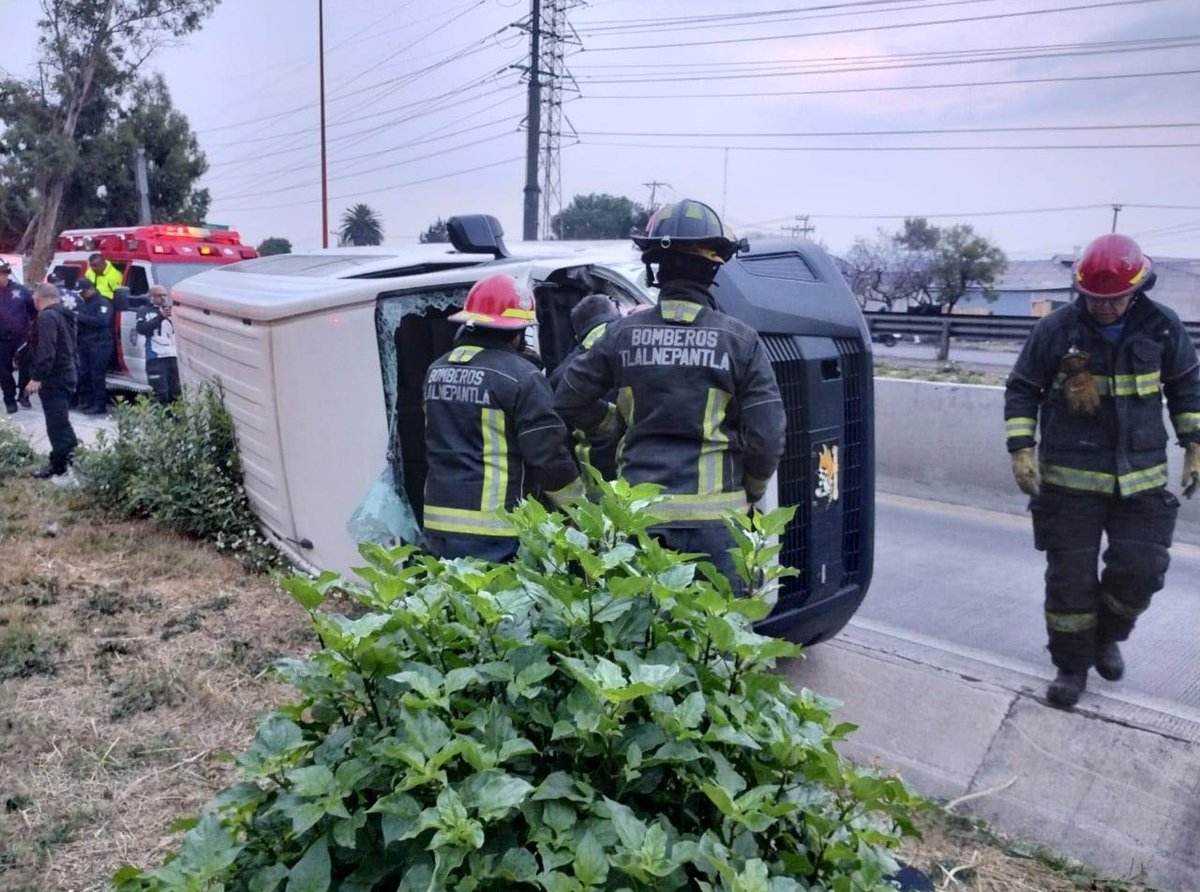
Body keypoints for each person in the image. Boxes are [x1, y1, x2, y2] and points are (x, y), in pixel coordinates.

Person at [1005, 233, 1200, 710]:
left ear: (1138, 287)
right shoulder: (1055, 330)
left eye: (1113, 299)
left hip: (1142, 480)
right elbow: (1022, 389)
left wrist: (1194, 444)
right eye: (1094, 298)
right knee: (1069, 583)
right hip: (1070, 483)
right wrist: (1021, 449)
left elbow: (1187, 388)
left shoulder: (1163, 327)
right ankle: (1071, 667)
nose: (1104, 307)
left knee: (1143, 571)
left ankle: (1106, 637)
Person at [555, 198, 787, 587]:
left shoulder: (619, 335)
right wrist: (752, 489)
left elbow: (566, 399)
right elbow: (767, 436)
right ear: (713, 267)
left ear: (655, 267)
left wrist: (611, 423)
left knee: (641, 638)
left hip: (640, 521)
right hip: (718, 526)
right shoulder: (740, 341)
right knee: (715, 642)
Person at [421, 273, 583, 562]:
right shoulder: (522, 377)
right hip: (494, 534)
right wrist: (579, 511)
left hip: (438, 525)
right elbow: (549, 456)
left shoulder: (436, 370)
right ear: (516, 332)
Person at [548, 293, 623, 481]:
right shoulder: (634, 350)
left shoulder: (562, 374)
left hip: (594, 484)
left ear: (576, 334)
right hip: (640, 479)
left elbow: (556, 442)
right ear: (618, 317)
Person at [25, 284, 79, 478]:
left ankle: (64, 463)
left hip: (55, 377)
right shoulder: (66, 315)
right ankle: (65, 460)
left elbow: (47, 350)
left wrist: (36, 377)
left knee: (57, 424)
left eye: (34, 300)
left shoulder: (47, 316)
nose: (35, 304)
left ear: (39, 299)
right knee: (60, 421)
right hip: (68, 373)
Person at [74, 278, 115, 414]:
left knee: (97, 375)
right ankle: (88, 401)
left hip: (100, 344)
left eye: (83, 292)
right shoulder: (83, 303)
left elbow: (103, 321)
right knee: (85, 374)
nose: (81, 295)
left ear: (91, 289)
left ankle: (99, 404)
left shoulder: (102, 302)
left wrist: (80, 317)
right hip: (85, 343)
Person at [0, 260, 36, 413]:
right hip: (1, 339)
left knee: (26, 369)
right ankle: (9, 399)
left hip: (22, 337)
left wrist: (32, 330)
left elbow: (33, 311)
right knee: (3, 371)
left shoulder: (21, 291)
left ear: (6, 274)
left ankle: (24, 395)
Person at [136, 284, 181, 404]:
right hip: (155, 357)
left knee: (176, 392)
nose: (163, 298)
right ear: (151, 297)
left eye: (165, 295)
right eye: (159, 295)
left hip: (173, 355)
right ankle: (160, 420)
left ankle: (175, 420)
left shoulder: (173, 310)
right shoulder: (144, 311)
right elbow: (141, 329)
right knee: (160, 393)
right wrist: (160, 317)